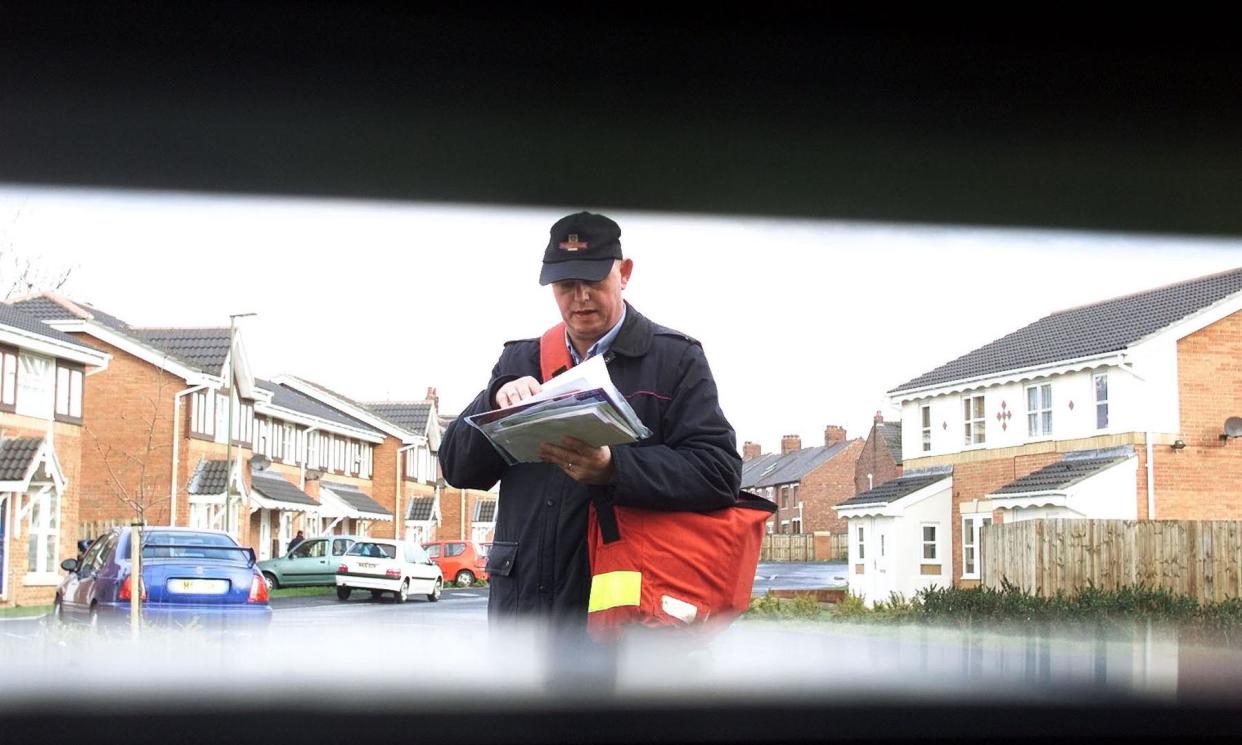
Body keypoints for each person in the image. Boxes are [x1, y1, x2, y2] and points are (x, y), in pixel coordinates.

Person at [439, 211, 742, 628]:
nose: (579, 298)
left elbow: (720, 474)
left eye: (594, 282)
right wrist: (493, 399)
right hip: (523, 612)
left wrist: (614, 468)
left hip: (624, 615)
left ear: (625, 273)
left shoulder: (676, 360)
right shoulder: (519, 359)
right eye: (565, 286)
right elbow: (456, 468)